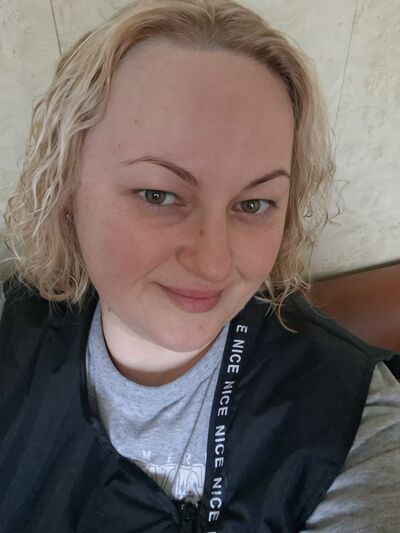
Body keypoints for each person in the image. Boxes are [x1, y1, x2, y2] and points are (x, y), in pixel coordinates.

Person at [0, 0, 399, 531]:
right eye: (159, 194)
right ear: (67, 186)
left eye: (254, 204)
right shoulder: (13, 330)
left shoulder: (353, 422)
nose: (214, 263)